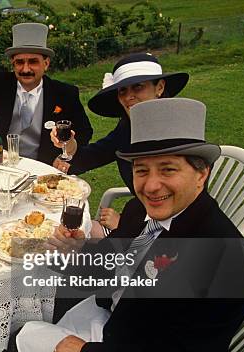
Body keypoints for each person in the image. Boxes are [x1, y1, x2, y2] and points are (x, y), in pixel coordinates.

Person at [11, 98, 244, 352]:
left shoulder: (223, 256)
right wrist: (74, 252)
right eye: (141, 170)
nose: (151, 186)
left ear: (201, 174)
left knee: (17, 342)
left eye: (167, 170)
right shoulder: (139, 211)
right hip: (113, 314)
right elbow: (111, 264)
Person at [52, 53, 189, 234]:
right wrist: (69, 144)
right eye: (122, 90)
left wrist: (124, 225)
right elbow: (93, 156)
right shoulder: (128, 127)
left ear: (160, 87)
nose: (128, 97)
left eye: (138, 87)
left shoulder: (179, 137)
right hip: (139, 217)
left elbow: (180, 210)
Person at [0, 22, 93, 167]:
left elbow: (85, 133)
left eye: (33, 62)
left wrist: (65, 155)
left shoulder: (65, 93)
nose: (26, 69)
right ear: (13, 63)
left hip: (40, 168)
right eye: (19, 62)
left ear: (46, 63)